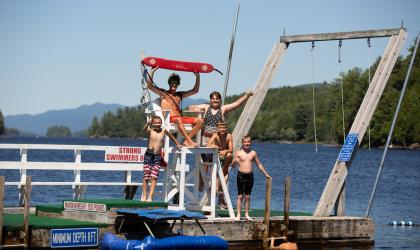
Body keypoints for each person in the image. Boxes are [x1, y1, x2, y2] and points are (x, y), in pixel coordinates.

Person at [146, 66, 203, 147]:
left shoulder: (179, 95)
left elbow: (195, 90)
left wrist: (198, 77)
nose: (174, 84)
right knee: (179, 119)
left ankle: (187, 141)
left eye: (176, 83)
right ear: (169, 83)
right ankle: (190, 141)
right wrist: (152, 72)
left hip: (180, 118)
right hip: (170, 118)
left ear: (178, 84)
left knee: (200, 121)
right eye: (172, 82)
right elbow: (149, 86)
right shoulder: (163, 93)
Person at [188, 90, 253, 146]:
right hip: (205, 138)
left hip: (217, 139)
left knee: (216, 158)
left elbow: (237, 103)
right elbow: (191, 107)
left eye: (217, 99)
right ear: (210, 100)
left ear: (220, 100)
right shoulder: (206, 107)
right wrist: (196, 109)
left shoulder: (223, 108)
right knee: (204, 159)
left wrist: (246, 96)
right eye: (213, 99)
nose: (215, 100)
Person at [141, 116, 182, 202]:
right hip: (148, 155)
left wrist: (177, 144)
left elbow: (171, 137)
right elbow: (143, 129)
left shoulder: (163, 131)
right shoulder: (150, 130)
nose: (157, 124)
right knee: (146, 177)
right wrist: (148, 123)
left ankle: (150, 197)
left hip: (157, 156)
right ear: (153, 123)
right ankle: (144, 195)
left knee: (154, 177)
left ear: (161, 123)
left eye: (159, 122)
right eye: (155, 123)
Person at [232, 135, 271, 220]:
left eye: (248, 142)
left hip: (250, 176)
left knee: (248, 196)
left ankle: (246, 214)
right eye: (245, 142)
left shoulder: (253, 153)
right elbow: (233, 166)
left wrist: (266, 174)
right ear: (242, 143)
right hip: (241, 175)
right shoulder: (238, 153)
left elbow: (259, 164)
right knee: (240, 196)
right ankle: (238, 214)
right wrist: (234, 161)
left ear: (250, 142)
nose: (247, 143)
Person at [206, 122, 233, 208]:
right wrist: (214, 145)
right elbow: (208, 144)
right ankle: (214, 203)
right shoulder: (215, 135)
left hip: (225, 159)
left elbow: (231, 149)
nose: (222, 129)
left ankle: (221, 200)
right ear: (218, 128)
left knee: (229, 155)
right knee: (217, 184)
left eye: (224, 127)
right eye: (221, 127)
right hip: (217, 158)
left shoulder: (229, 136)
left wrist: (224, 151)